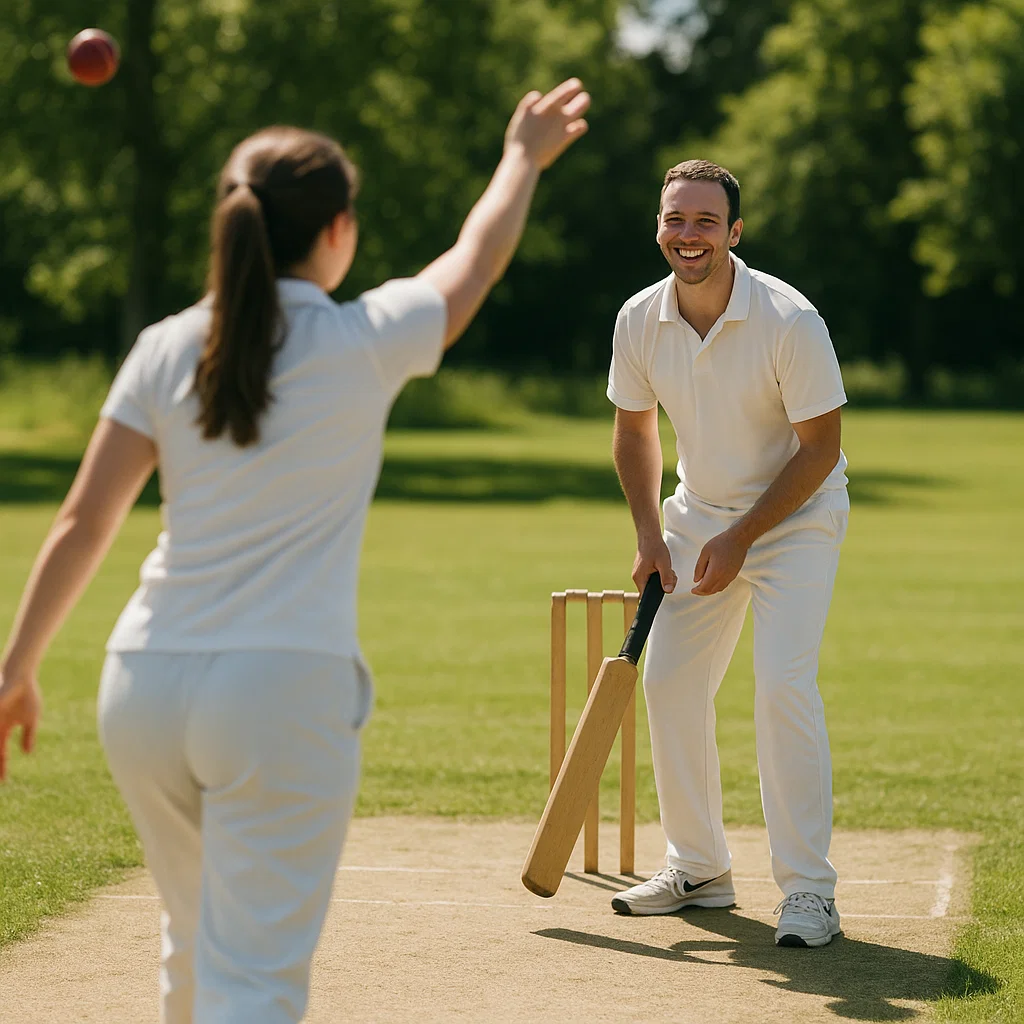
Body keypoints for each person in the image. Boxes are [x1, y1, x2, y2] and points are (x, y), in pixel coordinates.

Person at [0, 79, 590, 1021]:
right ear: (337, 228)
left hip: (143, 683)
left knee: (192, 952)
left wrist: (14, 672)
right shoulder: (362, 339)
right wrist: (521, 157)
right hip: (279, 694)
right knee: (255, 983)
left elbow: (82, 522)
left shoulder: (163, 345)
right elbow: (474, 261)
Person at [607, 159, 849, 948]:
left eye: (706, 222)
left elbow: (820, 450)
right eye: (676, 219)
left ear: (734, 233)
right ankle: (700, 867)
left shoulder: (790, 320)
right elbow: (634, 431)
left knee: (782, 689)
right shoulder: (639, 318)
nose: (689, 235)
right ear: (658, 226)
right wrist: (651, 534)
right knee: (672, 682)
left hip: (796, 520)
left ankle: (810, 893)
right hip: (696, 515)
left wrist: (744, 538)